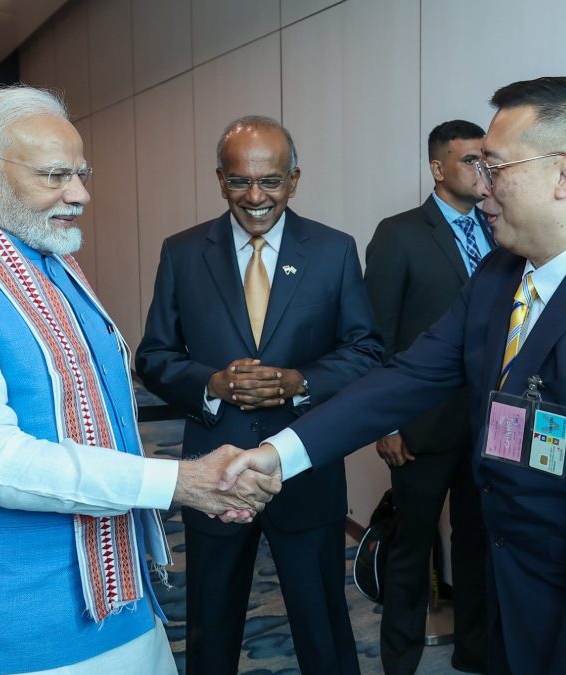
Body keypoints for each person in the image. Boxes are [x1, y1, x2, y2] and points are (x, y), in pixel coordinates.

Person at [218, 76, 566, 675]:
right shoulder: (498, 277)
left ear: (565, 174)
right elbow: (404, 379)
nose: (482, 185)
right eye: (477, 167)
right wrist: (278, 454)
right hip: (505, 571)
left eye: (495, 167)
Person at [0, 84, 279, 674]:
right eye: (54, 176)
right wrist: (179, 482)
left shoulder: (50, 260)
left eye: (80, 173)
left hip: (120, 589)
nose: (80, 194)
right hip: (32, 621)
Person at [135, 116, 383, 675]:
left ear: (294, 180)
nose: (255, 197)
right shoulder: (182, 252)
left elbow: (366, 351)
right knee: (210, 627)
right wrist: (211, 385)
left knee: (323, 629)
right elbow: (153, 356)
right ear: (219, 179)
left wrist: (301, 382)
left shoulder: (334, 250)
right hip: (213, 473)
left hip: (305, 467)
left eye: (270, 181)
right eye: (239, 181)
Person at [363, 119, 491, 674]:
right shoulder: (399, 234)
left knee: (479, 543)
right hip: (420, 425)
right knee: (411, 548)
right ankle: (400, 662)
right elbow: (377, 338)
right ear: (438, 168)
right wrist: (385, 423)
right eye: (470, 160)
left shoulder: (499, 229)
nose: (483, 170)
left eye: (487, 160)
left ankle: (475, 653)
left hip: (489, 423)